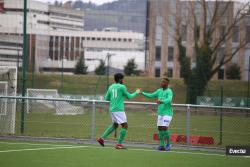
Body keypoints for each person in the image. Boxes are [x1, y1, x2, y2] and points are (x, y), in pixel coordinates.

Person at [97, 73, 140, 149]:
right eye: (123, 79)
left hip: (112, 109)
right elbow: (129, 96)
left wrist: (116, 98)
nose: (123, 80)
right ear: (120, 79)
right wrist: (136, 92)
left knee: (115, 125)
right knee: (125, 126)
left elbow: (106, 98)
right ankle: (119, 144)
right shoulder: (122, 87)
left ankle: (101, 138)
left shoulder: (111, 87)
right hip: (119, 109)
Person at [141, 78, 173, 151]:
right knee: (160, 128)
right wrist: (142, 93)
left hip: (168, 113)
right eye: (161, 82)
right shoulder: (159, 91)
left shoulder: (169, 91)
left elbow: (169, 99)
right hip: (160, 113)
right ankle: (162, 145)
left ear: (167, 84)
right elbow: (151, 95)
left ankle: (168, 144)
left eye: (163, 82)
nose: (161, 83)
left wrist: (162, 101)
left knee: (165, 128)